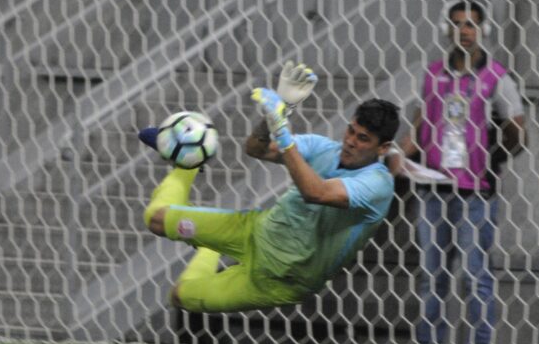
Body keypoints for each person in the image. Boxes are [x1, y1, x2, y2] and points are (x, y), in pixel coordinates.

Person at [140, 61, 400, 313]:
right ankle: (189, 162)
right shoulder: (323, 147)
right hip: (254, 231)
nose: (351, 141)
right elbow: (255, 149)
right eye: (351, 131)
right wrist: (273, 116)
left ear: (383, 148)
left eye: (363, 138)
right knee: (156, 219)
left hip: (281, 280)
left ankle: (208, 249)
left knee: (180, 296)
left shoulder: (378, 184)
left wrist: (283, 130)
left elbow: (316, 192)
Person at [391, 0, 526, 344]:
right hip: (432, 187)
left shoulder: (497, 77)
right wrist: (403, 155)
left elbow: (518, 127)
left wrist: (493, 159)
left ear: (484, 31)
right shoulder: (433, 74)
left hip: (475, 192)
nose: (464, 31)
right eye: (457, 24)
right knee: (431, 273)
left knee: (474, 274)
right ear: (446, 29)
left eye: (471, 25)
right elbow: (422, 119)